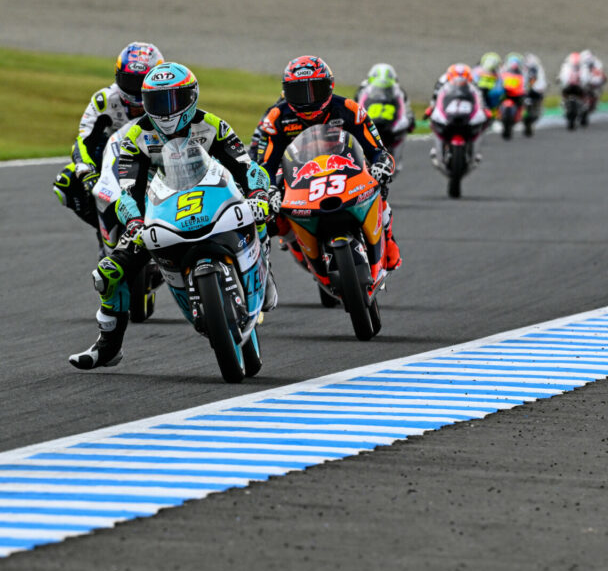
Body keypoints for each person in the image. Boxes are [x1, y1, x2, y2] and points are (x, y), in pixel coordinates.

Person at [70, 63, 275, 371]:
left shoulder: (213, 125)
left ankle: (265, 272)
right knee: (107, 273)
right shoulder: (135, 137)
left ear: (191, 97)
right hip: (162, 213)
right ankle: (108, 346)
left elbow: (246, 167)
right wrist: (135, 223)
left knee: (260, 213)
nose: (165, 111)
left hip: (215, 199)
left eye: (173, 100)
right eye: (156, 102)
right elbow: (128, 190)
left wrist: (259, 195)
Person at [252, 55, 402, 276]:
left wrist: (382, 164)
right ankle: (295, 242)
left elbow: (377, 148)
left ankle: (386, 243)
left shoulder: (349, 109)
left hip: (346, 170)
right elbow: (265, 162)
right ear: (286, 92)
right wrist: (269, 189)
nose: (307, 99)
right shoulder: (277, 117)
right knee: (272, 217)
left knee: (381, 195)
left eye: (315, 90)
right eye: (299, 92)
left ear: (329, 86)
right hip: (297, 176)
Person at [54, 42, 164, 249]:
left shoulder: (166, 99)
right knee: (65, 183)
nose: (136, 90)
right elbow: (83, 142)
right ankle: (105, 230)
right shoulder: (104, 101)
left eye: (142, 83)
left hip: (156, 158)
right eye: (130, 81)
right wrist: (86, 171)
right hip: (111, 157)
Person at [353, 63, 415, 171]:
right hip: (370, 123)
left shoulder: (398, 92)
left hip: (389, 125)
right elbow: (355, 105)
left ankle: (395, 160)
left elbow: (405, 108)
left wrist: (409, 119)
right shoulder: (363, 89)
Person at [522, 53, 547, 128]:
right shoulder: (524, 70)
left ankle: (536, 111)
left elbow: (542, 81)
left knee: (539, 101)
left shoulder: (539, 70)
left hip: (535, 91)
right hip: (526, 91)